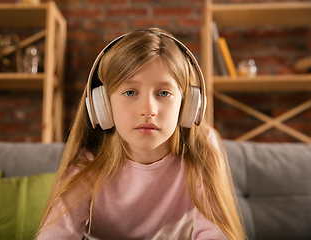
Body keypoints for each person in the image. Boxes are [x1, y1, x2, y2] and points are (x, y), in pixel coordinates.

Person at [36, 28, 245, 240]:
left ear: (188, 105)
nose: (148, 109)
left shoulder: (200, 147)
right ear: (104, 106)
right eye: (130, 92)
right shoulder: (88, 163)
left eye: (164, 93)